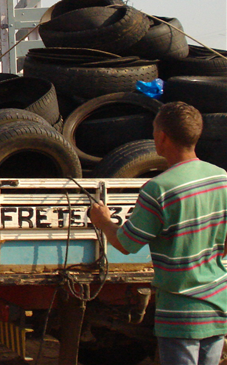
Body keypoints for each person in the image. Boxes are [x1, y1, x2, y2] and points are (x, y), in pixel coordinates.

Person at [89, 102, 227, 365]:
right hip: (218, 305)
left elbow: (125, 243)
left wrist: (103, 221)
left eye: (154, 132)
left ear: (162, 136)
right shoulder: (220, 177)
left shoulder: (159, 190)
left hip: (179, 312)